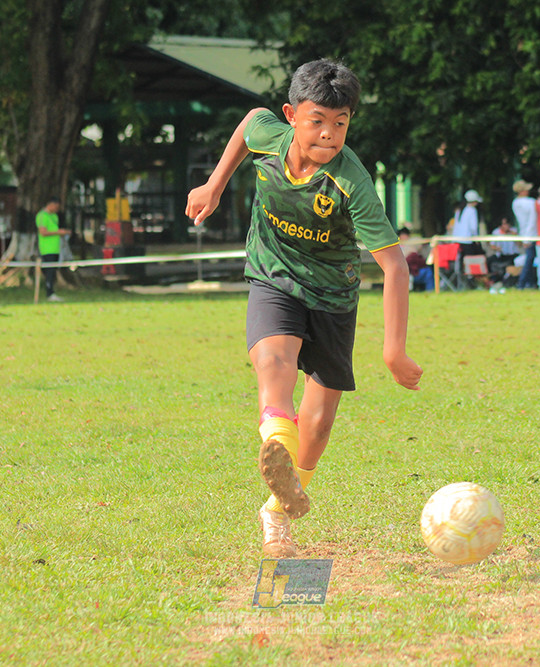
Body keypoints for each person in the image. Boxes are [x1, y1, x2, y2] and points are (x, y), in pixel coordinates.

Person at [185, 59, 422, 558]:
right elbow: (251, 120)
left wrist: (394, 351)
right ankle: (275, 439)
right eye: (318, 120)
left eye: (341, 123)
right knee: (274, 362)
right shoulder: (271, 137)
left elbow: (395, 267)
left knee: (318, 423)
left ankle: (278, 504)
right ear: (292, 115)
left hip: (334, 297)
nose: (330, 134)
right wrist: (215, 184)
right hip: (274, 276)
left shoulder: (352, 182)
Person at [36, 197, 70, 302]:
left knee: (53, 271)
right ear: (50, 204)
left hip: (56, 249)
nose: (57, 209)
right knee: (49, 271)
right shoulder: (42, 216)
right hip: (46, 249)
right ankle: (49, 293)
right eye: (56, 206)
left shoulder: (55, 216)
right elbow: (43, 232)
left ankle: (52, 292)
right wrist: (59, 232)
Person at [511, 179, 538, 289]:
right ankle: (522, 283)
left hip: (524, 234)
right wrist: (529, 238)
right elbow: (532, 220)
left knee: (530, 258)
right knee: (530, 259)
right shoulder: (531, 202)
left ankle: (530, 283)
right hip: (532, 234)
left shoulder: (515, 203)